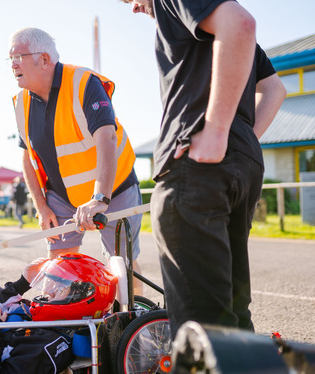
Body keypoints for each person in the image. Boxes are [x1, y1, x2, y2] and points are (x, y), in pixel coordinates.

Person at [123, 0, 287, 336]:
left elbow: (240, 24)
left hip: (196, 166)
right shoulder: (202, 18)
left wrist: (215, 131)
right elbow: (275, 89)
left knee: (204, 331)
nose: (134, 8)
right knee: (232, 316)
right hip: (237, 163)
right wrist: (240, 138)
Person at [9, 28, 143, 291]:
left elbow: (107, 138)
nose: (13, 64)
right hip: (61, 194)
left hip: (114, 188)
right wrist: (41, 207)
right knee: (58, 268)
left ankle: (134, 325)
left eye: (19, 57)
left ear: (45, 60)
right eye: (10, 58)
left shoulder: (85, 83)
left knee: (122, 266)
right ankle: (62, 328)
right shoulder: (20, 102)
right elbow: (27, 157)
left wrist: (100, 198)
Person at [0, 253, 117, 373]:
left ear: (81, 298)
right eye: (53, 285)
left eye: (60, 288)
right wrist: (22, 284)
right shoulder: (35, 315)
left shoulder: (50, 345)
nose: (49, 293)